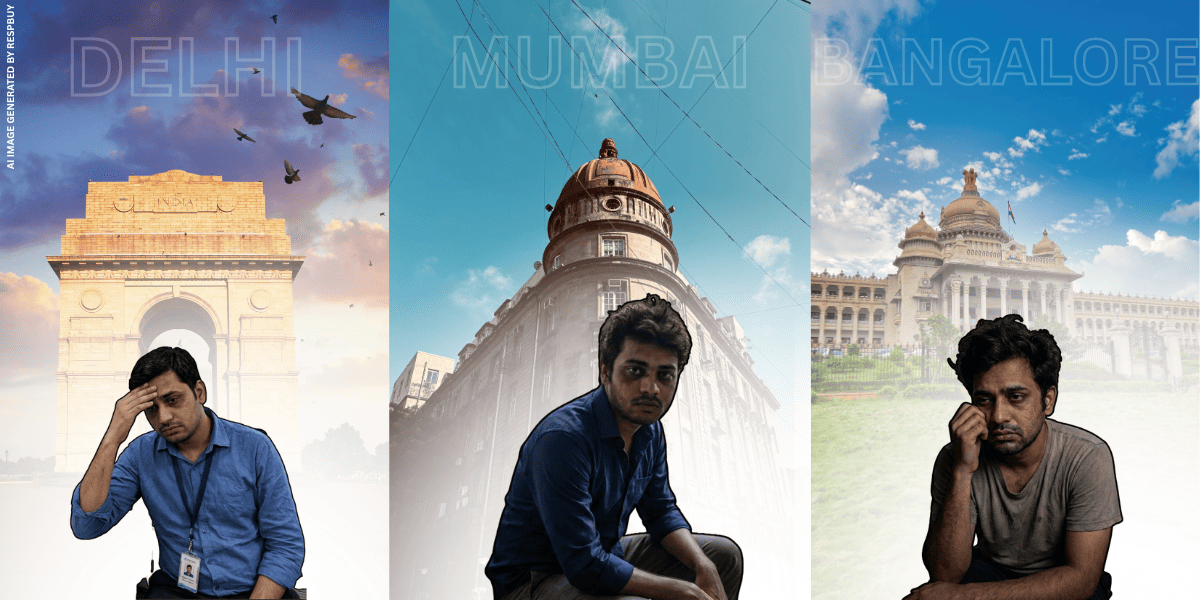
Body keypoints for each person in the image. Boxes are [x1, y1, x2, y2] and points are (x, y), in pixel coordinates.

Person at [485, 294, 743, 600]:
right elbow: (584, 564)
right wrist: (679, 590)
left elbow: (660, 512)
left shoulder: (650, 430)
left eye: (665, 375)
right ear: (605, 371)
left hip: (606, 554)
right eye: (636, 371)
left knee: (722, 556)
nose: (651, 388)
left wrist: (704, 567)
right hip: (533, 581)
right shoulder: (562, 440)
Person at [906, 314, 1121, 600]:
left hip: (1065, 579)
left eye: (1016, 397)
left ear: (1048, 400)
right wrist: (962, 470)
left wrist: (962, 598)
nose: (998, 416)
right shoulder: (956, 457)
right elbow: (945, 575)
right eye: (984, 399)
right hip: (990, 573)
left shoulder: (1087, 456)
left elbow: (1080, 580)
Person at [71, 347, 304, 599]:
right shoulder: (139, 455)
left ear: (199, 392)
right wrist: (113, 437)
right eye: (151, 408)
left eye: (173, 400)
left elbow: (285, 545)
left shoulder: (255, 448)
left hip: (253, 591)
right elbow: (87, 526)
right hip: (177, 590)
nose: (164, 417)